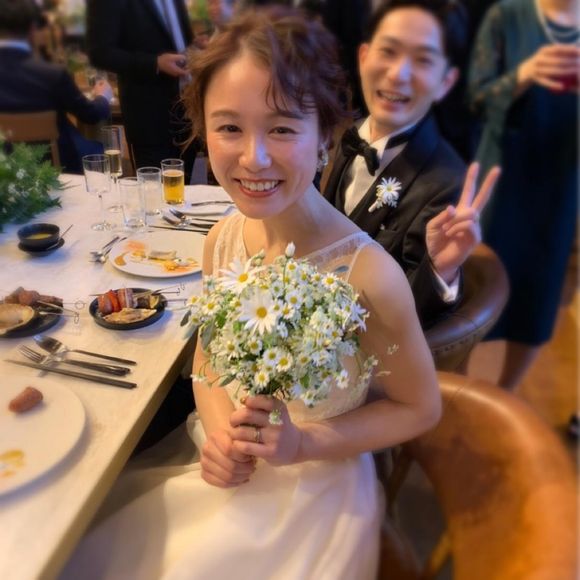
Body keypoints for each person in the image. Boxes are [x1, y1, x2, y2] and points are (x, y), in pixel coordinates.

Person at [60, 8, 441, 579]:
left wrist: (301, 445)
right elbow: (208, 358)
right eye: (229, 128)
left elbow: (419, 407)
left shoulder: (368, 274)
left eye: (282, 129)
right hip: (222, 464)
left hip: (313, 495)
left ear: (324, 137)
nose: (253, 158)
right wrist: (220, 435)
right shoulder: (221, 240)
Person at [323, 0, 500, 330]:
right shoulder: (350, 134)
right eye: (388, 51)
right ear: (363, 57)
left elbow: (409, 318)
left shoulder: (446, 184)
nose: (398, 74)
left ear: (446, 82)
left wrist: (439, 269)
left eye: (422, 60)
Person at [468, 0, 579, 390]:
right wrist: (524, 74)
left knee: (538, 295)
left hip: (560, 185)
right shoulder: (507, 16)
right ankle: (457, 392)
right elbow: (476, 99)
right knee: (475, 285)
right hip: (501, 176)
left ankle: (508, 391)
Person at [86, 0, 198, 180]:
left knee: (185, 188)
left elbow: (178, 39)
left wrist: (195, 46)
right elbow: (100, 53)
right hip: (150, 116)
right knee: (153, 189)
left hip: (188, 110)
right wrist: (154, 63)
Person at [0, 0, 112, 174]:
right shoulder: (52, 74)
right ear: (33, 29)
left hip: (5, 169)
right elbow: (90, 115)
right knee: (97, 147)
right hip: (58, 167)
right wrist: (103, 96)